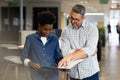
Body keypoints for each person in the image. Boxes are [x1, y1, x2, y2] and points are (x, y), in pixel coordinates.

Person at [58, 4, 100, 80]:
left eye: (77, 19)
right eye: (72, 18)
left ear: (84, 18)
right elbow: (65, 52)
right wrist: (85, 51)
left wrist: (70, 56)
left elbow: (89, 50)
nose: (73, 21)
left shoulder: (92, 29)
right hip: (74, 74)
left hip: (90, 72)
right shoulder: (66, 31)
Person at [21, 11, 63, 80]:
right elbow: (23, 56)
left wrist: (63, 64)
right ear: (39, 26)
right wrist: (31, 63)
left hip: (53, 74)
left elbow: (57, 56)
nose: (47, 32)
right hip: (37, 74)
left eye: (50, 30)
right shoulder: (30, 38)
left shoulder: (54, 39)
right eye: (45, 29)